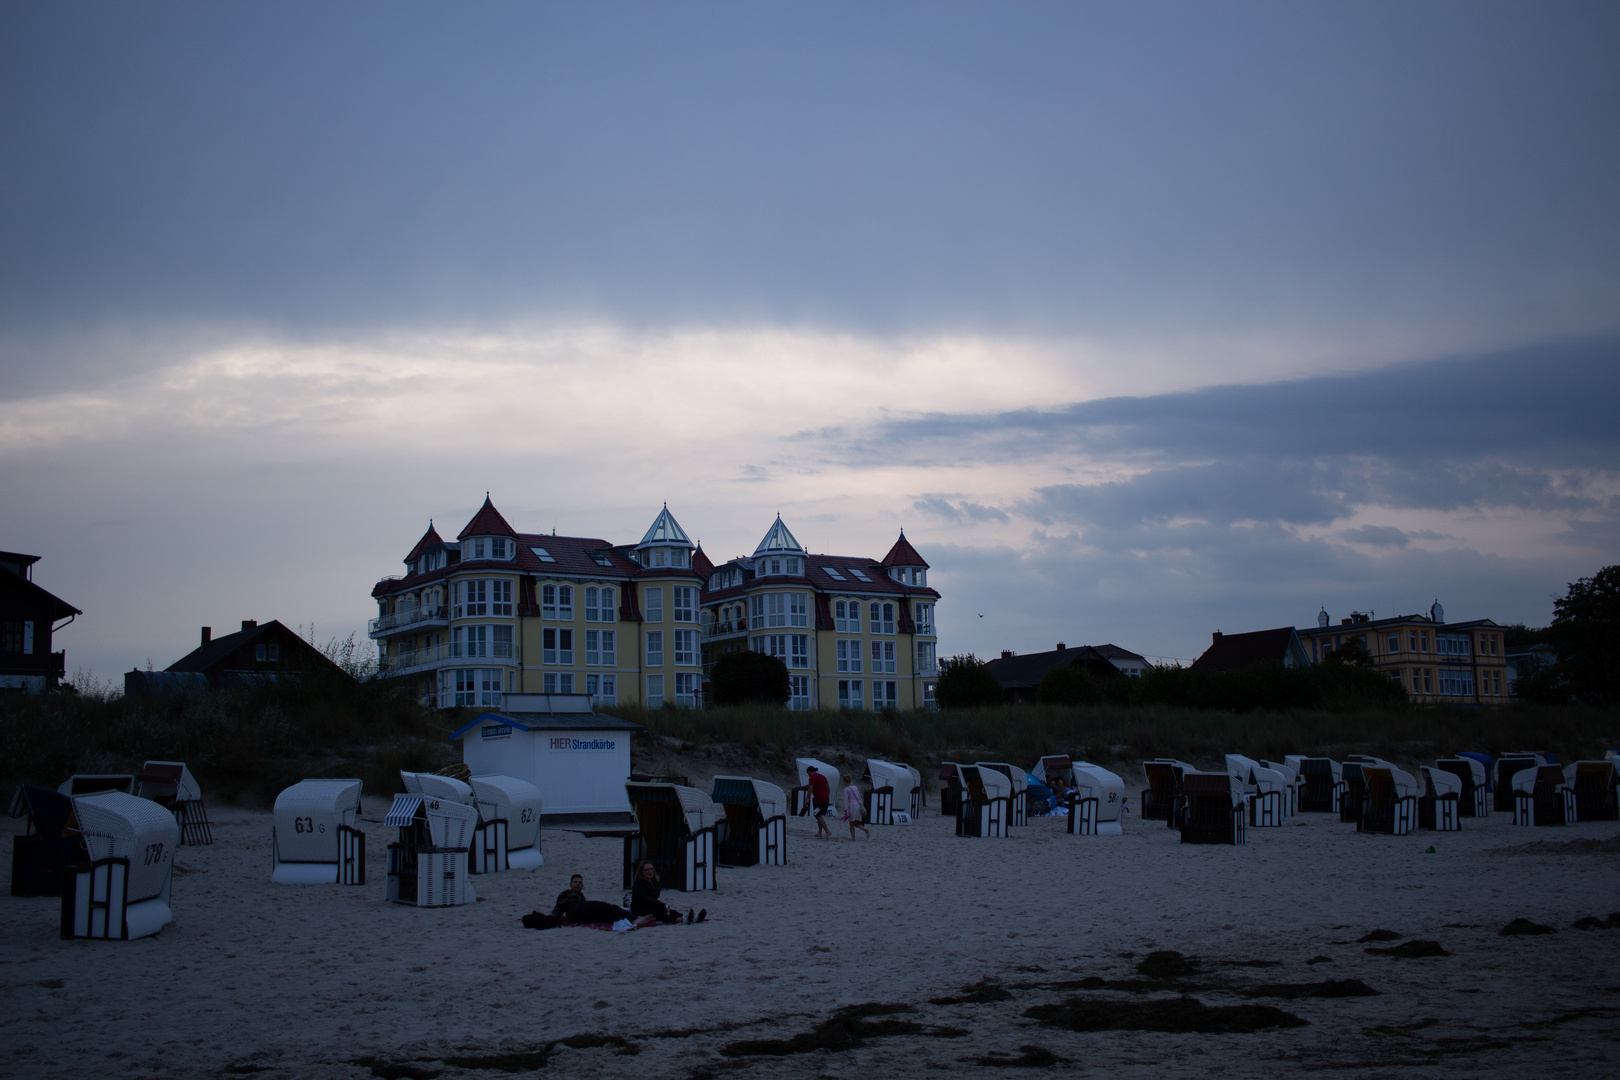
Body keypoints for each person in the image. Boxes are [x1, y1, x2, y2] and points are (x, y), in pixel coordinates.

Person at [552, 873, 657, 928]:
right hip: (577, 910)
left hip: (583, 917)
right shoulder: (565, 894)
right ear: (570, 884)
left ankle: (633, 922)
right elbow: (558, 908)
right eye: (575, 882)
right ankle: (636, 918)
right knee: (608, 907)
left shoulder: (581, 896)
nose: (578, 884)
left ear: (583, 885)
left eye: (580, 882)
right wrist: (553, 917)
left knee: (607, 917)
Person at [631, 860, 703, 924]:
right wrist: (660, 904)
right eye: (646, 870)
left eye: (651, 869)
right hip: (639, 907)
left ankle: (690, 917)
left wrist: (660, 905)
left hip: (652, 905)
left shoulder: (655, 882)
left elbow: (654, 897)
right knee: (660, 913)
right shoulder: (638, 883)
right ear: (641, 872)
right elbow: (644, 899)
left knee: (669, 911)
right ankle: (681, 919)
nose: (650, 871)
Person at [841, 773, 870, 840]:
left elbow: (846, 800)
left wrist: (845, 810)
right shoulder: (855, 787)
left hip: (852, 807)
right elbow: (859, 797)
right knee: (855, 823)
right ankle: (865, 830)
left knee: (851, 824)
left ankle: (853, 838)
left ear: (845, 781)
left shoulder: (846, 789)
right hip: (858, 806)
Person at [806, 765, 832, 838]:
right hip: (826, 798)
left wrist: (807, 799)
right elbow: (828, 788)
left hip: (819, 799)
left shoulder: (812, 778)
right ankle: (820, 832)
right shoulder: (823, 777)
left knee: (817, 815)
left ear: (809, 772)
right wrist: (827, 796)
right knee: (819, 815)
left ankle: (827, 831)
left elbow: (810, 788)